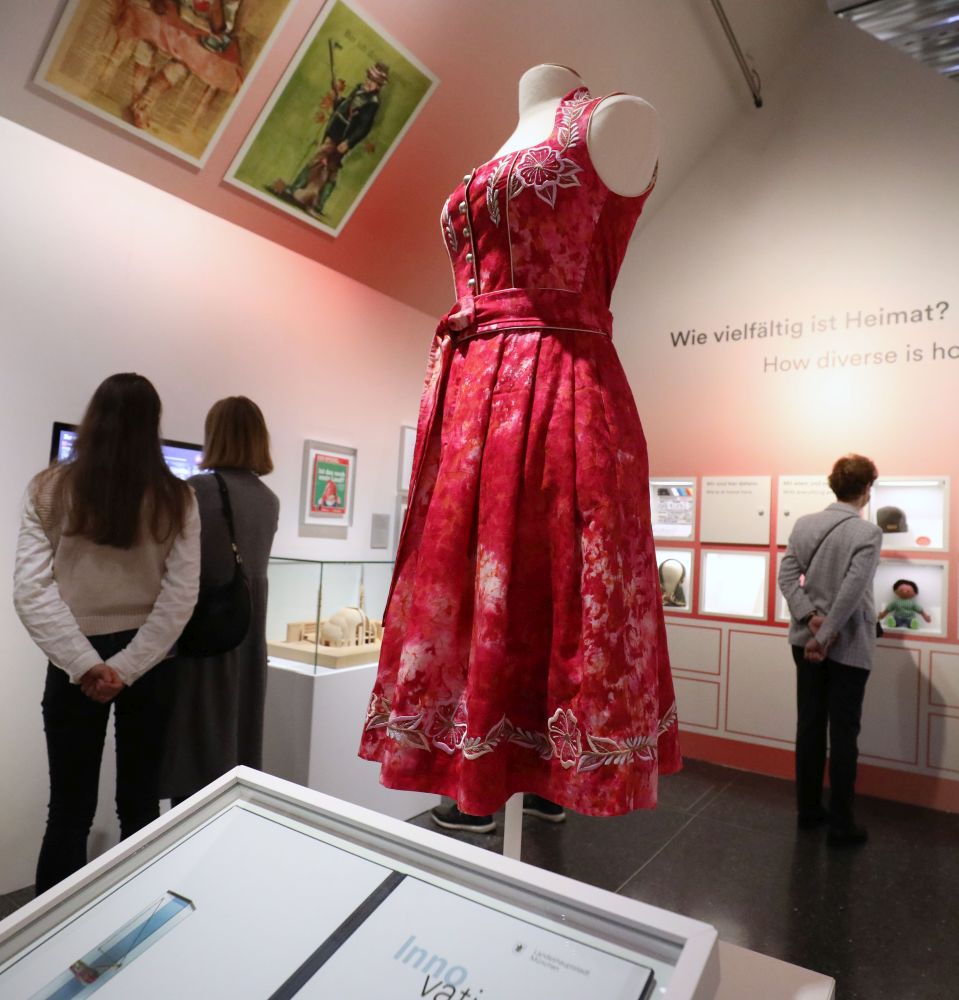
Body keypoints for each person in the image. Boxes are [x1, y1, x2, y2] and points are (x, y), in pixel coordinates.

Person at [13, 374, 201, 894]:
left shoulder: (50, 488)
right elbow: (180, 596)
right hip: (150, 665)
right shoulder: (176, 496)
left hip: (76, 663)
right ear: (152, 426)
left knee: (68, 811)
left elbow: (32, 590)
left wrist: (85, 663)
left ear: (92, 418)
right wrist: (128, 666)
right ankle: (135, 930)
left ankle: (47, 946)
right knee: (140, 805)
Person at [160, 396, 279, 803]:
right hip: (246, 633)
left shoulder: (197, 491)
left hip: (205, 633)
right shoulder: (269, 499)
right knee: (237, 735)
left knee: (197, 745)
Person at [779, 454, 882, 847]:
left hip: (806, 642)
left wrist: (810, 622)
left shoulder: (806, 524)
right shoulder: (867, 533)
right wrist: (827, 634)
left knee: (808, 726)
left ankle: (808, 812)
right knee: (843, 733)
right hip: (848, 645)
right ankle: (840, 823)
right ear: (866, 489)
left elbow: (787, 575)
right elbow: (853, 591)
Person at [273, 61, 390, 217]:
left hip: (341, 137)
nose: (369, 82)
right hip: (335, 131)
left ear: (379, 85)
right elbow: (344, 107)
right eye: (369, 78)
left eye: (373, 81)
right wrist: (337, 99)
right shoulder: (359, 90)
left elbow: (364, 127)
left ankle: (295, 189)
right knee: (331, 170)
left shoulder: (372, 103)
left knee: (317, 159)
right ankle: (318, 203)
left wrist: (349, 142)